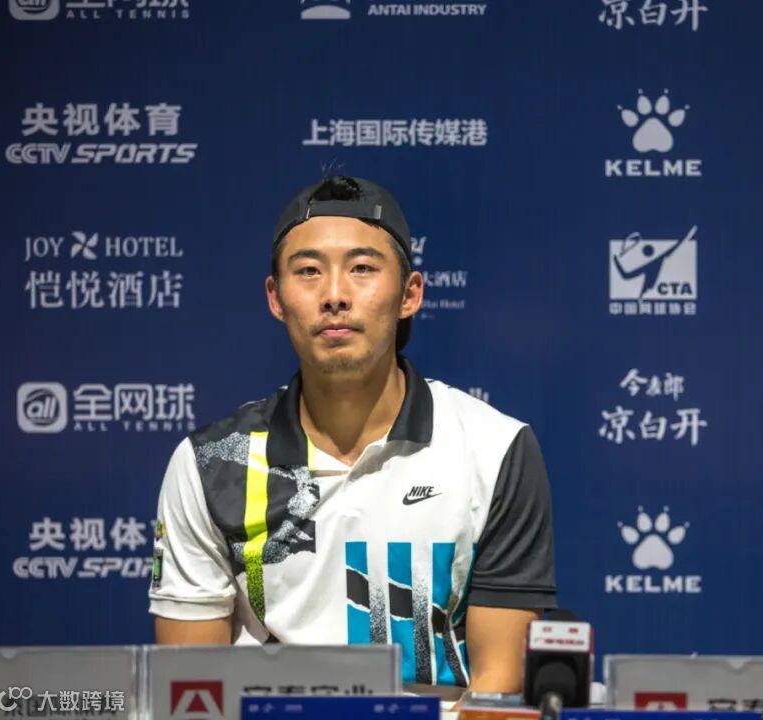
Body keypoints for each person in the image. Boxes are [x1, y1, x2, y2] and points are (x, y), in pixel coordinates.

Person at [148, 175, 557, 694]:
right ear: (276, 298)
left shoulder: (495, 449)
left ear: (410, 294)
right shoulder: (210, 463)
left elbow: (497, 686)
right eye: (308, 271)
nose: (335, 295)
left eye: (362, 268)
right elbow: (192, 690)